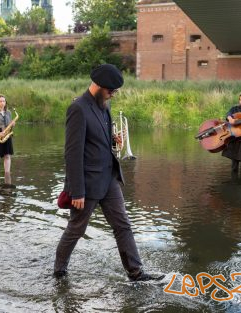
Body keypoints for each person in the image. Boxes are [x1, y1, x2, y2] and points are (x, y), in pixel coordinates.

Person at [54, 64, 161, 282]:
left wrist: (112, 140)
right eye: (111, 90)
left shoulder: (105, 106)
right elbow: (72, 154)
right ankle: (59, 271)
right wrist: (76, 192)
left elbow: (95, 138)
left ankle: (136, 273)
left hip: (109, 178)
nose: (113, 93)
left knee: (123, 224)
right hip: (87, 184)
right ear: (99, 85)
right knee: (76, 229)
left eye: (115, 91)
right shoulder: (78, 108)